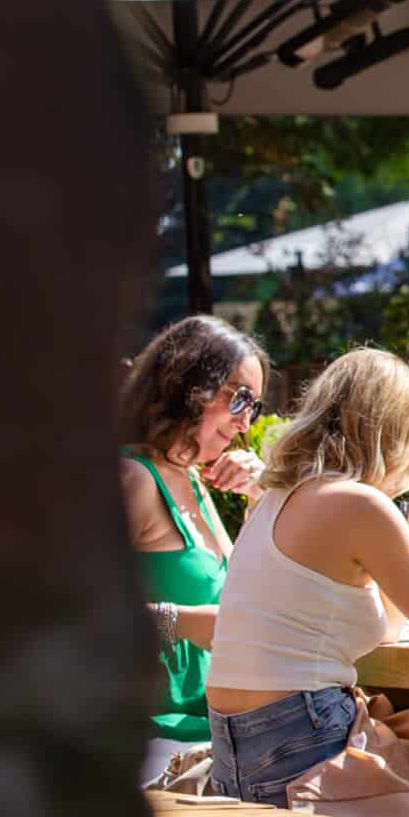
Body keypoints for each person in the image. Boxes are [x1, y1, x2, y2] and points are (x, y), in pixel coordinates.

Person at [205, 348, 409, 817]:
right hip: (302, 747)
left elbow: (388, 625)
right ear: (392, 437)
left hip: (238, 755)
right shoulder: (357, 504)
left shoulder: (279, 498)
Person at [120, 315, 270, 773]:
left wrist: (261, 494)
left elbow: (249, 591)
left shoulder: (191, 479)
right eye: (239, 398)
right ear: (187, 386)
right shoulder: (134, 479)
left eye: (254, 407)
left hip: (212, 732)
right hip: (154, 740)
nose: (245, 423)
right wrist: (183, 622)